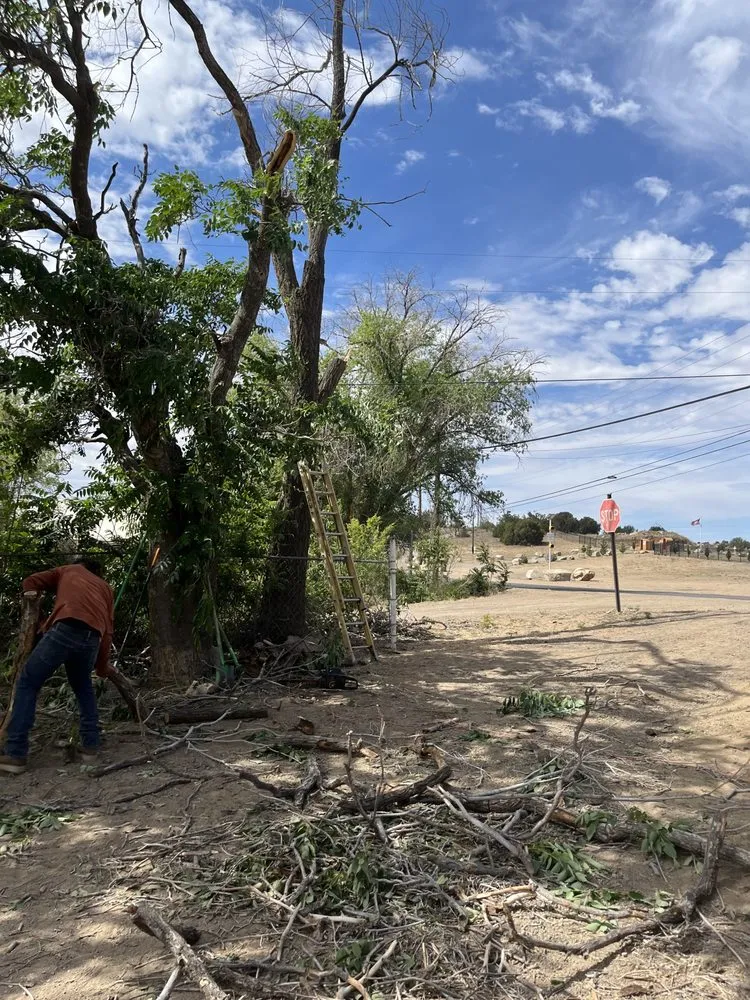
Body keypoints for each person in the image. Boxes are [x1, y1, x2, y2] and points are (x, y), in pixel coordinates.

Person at [0, 557, 114, 775]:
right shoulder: (105, 588)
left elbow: (30, 581)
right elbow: (108, 633)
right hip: (92, 638)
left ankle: (15, 753)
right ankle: (91, 746)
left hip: (66, 627)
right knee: (83, 688)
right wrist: (102, 667)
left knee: (28, 683)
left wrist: (36, 607)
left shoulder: (69, 570)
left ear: (79, 564)